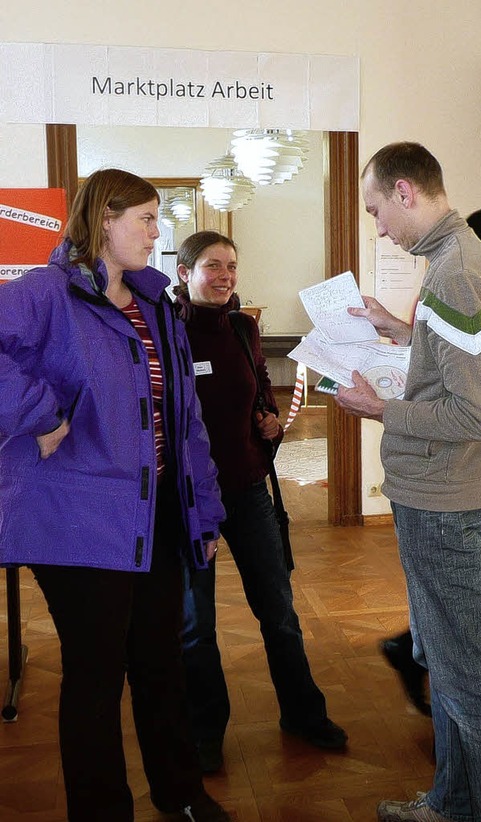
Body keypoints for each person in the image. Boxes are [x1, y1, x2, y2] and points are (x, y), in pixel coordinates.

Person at [0, 169, 229, 822]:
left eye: (160, 221)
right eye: (147, 220)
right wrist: (42, 413)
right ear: (104, 220)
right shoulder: (47, 293)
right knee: (96, 678)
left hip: (151, 515)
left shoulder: (158, 304)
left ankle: (182, 796)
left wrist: (204, 509)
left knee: (162, 664)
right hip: (75, 519)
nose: (159, 235)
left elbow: (184, 423)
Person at [336, 143, 481, 822]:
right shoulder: (469, 257)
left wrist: (380, 408)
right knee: (450, 667)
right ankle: (451, 802)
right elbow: (470, 363)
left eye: (378, 211)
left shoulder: (453, 273)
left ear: (404, 190)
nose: (380, 228)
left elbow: (476, 411)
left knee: (468, 676)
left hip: (445, 495)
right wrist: (399, 329)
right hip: (456, 490)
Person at [174, 231, 347, 773]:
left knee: (279, 611)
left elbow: (260, 395)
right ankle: (205, 729)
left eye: (231, 266)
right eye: (211, 266)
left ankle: (301, 711)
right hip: (188, 501)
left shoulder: (243, 326)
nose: (224, 276)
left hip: (248, 489)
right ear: (184, 273)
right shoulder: (166, 331)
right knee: (195, 624)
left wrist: (269, 423)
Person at [380, 207, 481, 708]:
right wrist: (381, 408)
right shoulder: (461, 281)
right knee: (471, 621)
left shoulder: (464, 279)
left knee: (473, 606)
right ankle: (431, 662)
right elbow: (474, 411)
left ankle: (435, 665)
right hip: (469, 484)